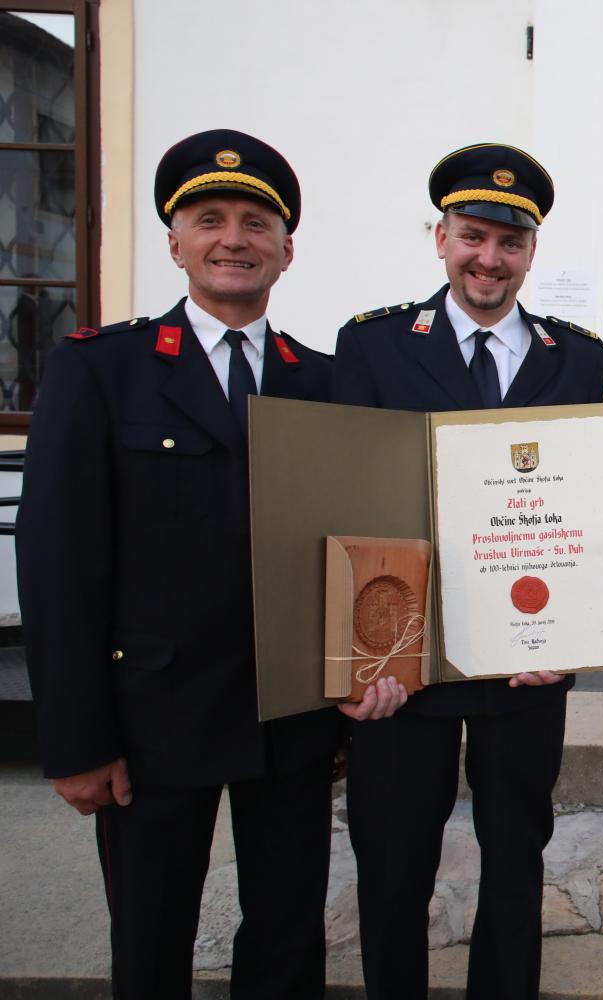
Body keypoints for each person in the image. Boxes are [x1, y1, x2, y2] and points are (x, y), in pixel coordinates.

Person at [16, 129, 337, 999]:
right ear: (175, 243)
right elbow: (58, 567)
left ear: (286, 250)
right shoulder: (101, 369)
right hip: (151, 718)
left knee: (287, 939)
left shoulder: (322, 382)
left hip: (290, 720)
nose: (234, 239)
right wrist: (76, 741)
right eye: (210, 219)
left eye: (256, 223)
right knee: (151, 939)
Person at [330, 142, 603, 1000]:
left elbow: (582, 508)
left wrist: (569, 638)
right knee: (393, 862)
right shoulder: (373, 345)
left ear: (532, 251)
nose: (489, 258)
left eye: (509, 242)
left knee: (517, 859)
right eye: (473, 236)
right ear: (441, 238)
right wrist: (356, 661)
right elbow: (347, 505)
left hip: (525, 661)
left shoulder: (577, 357)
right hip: (403, 661)